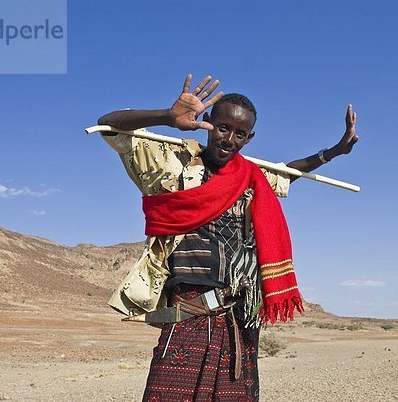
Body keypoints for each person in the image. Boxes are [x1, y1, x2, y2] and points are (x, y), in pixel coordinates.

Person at [97, 74, 358, 401]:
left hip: (239, 320)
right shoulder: (174, 165)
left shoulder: (252, 178)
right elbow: (109, 126)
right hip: (188, 314)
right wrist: (166, 117)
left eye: (240, 134)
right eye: (222, 128)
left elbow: (290, 171)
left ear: (250, 138)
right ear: (207, 123)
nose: (229, 140)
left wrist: (334, 151)